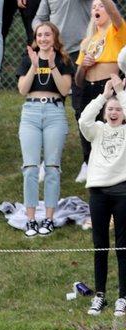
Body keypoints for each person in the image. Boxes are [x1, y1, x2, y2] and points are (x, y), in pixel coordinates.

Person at [17, 21, 74, 237]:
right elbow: (22, 89)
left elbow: (65, 89)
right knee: (30, 168)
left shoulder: (63, 60)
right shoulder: (27, 59)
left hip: (54, 113)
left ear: (54, 37)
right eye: (39, 35)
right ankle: (30, 219)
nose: (43, 39)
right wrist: (33, 65)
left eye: (47, 35)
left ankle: (48, 219)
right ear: (35, 38)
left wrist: (51, 65)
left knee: (52, 167)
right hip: (30, 113)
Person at [78, 76, 126, 316]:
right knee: (100, 245)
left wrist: (121, 93)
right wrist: (104, 97)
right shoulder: (97, 130)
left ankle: (123, 298)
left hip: (122, 191)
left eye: (118, 109)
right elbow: (84, 119)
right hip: (98, 191)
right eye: (111, 109)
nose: (114, 112)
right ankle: (100, 296)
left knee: (123, 246)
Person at [32, 0, 93, 178]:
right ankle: (49, 162)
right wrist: (42, 32)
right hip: (55, 56)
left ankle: (88, 162)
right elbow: (39, 18)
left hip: (80, 54)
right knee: (50, 110)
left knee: (81, 111)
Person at [73, 0, 124, 184]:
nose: (96, 8)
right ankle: (90, 166)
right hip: (88, 88)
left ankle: (114, 175)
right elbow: (78, 80)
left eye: (100, 5)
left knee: (110, 130)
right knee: (86, 127)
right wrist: (83, 67)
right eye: (93, 6)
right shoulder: (87, 41)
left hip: (107, 86)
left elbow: (115, 13)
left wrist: (106, 2)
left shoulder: (116, 32)